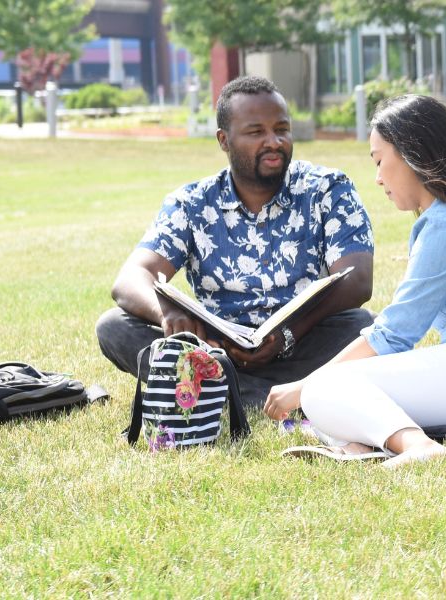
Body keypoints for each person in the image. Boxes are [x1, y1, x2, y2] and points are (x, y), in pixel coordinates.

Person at [260, 95, 446, 468]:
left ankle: (418, 446)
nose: (377, 178)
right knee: (337, 397)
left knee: (324, 388)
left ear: (410, 152)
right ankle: (360, 443)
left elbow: (394, 334)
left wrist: (303, 386)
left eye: (379, 161)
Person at [96, 76, 375, 410]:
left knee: (364, 327)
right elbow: (130, 278)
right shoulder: (191, 203)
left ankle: (227, 395)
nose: (274, 141)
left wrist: (287, 335)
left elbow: (358, 281)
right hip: (215, 352)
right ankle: (270, 394)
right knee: (114, 327)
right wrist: (167, 313)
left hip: (302, 340)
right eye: (256, 132)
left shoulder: (328, 188)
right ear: (224, 140)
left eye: (282, 129)